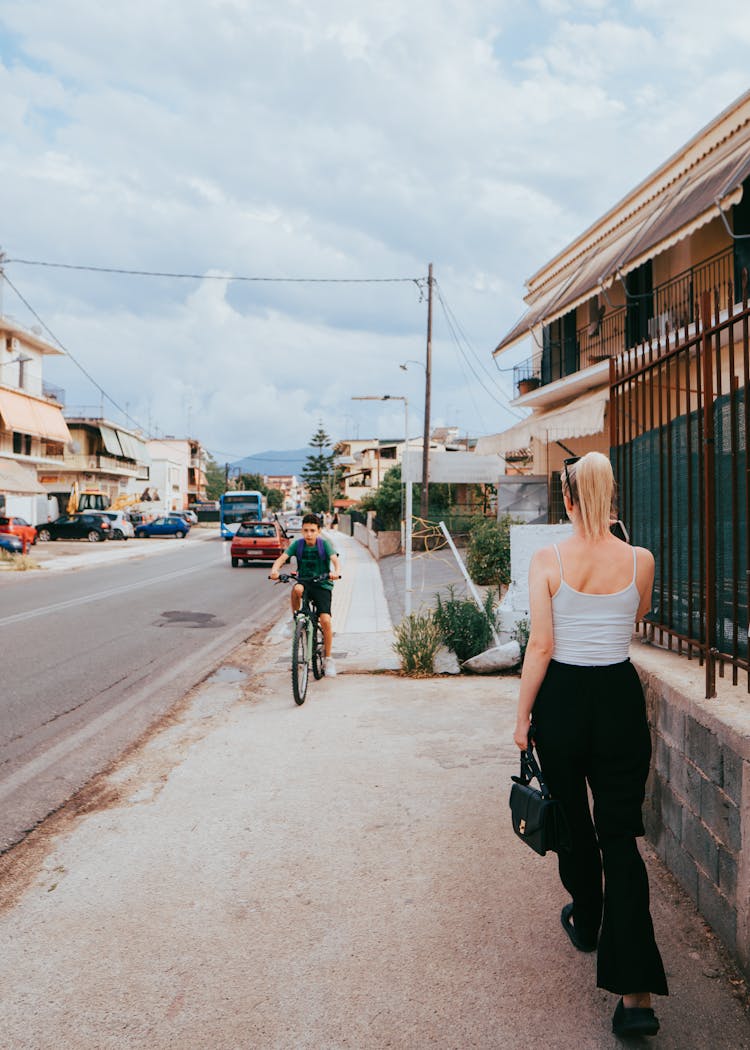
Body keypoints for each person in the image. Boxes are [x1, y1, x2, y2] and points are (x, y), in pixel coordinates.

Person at [513, 451, 668, 1040]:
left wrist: (522, 715)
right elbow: (639, 614)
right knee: (620, 836)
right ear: (613, 498)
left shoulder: (547, 559)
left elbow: (541, 647)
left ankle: (588, 915)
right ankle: (636, 996)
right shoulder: (641, 560)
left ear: (569, 500)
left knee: (573, 822)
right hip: (619, 700)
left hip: (563, 701)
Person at [270, 513, 341, 676]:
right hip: (305, 582)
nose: (309, 534)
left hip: (322, 584)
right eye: (306, 530)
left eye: (312, 530)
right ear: (302, 531)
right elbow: (282, 558)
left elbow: (335, 560)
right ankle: (294, 620)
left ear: (319, 531)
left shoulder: (324, 545)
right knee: (296, 589)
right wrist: (275, 570)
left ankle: (329, 659)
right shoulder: (298, 545)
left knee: (325, 621)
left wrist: (336, 572)